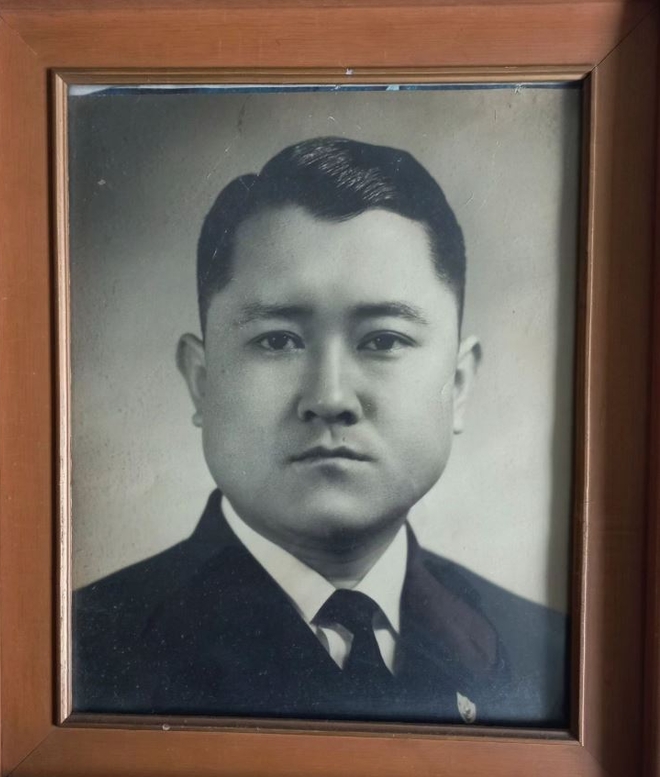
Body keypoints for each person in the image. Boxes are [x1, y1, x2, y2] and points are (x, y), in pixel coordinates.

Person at [73, 137, 567, 725]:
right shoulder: (80, 655)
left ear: (457, 385)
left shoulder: (549, 655)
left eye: (384, 340)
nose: (329, 398)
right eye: (278, 340)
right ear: (202, 381)